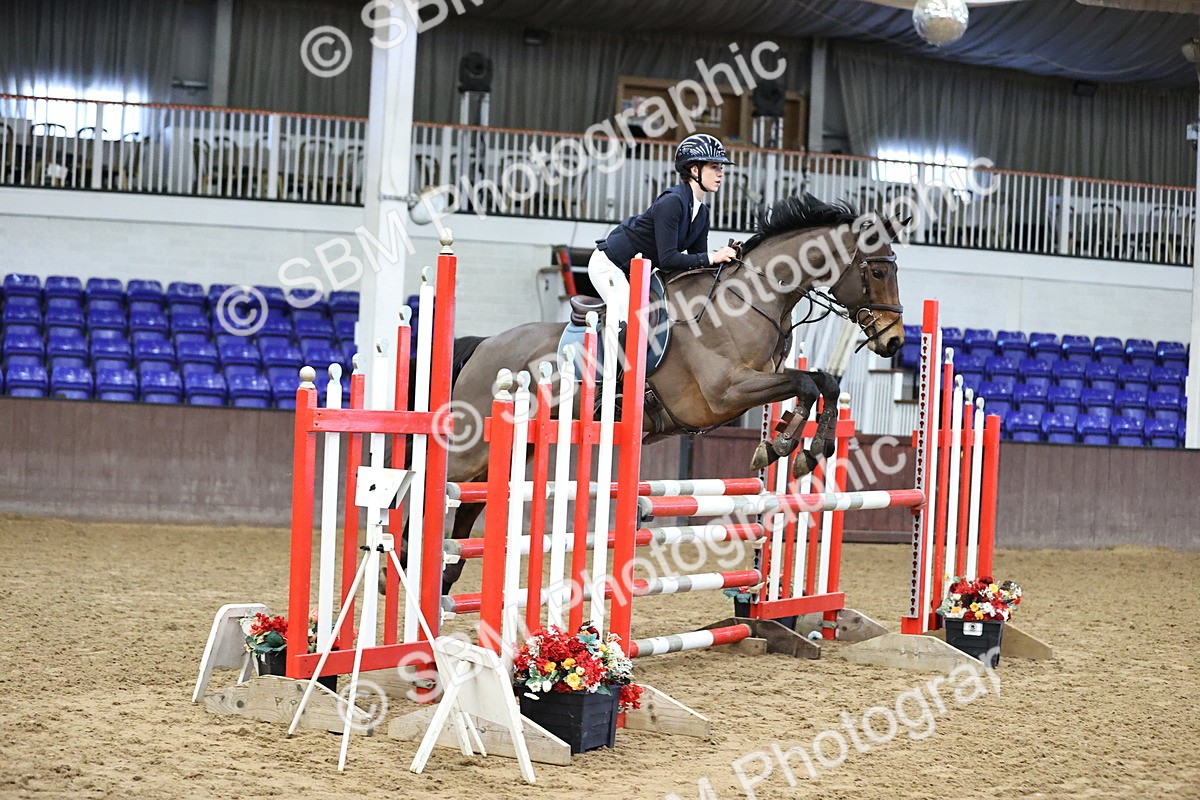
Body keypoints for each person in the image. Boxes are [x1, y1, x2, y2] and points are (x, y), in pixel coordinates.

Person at [588, 133, 739, 325]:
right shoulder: (672, 202)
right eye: (714, 167)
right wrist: (712, 257)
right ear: (694, 169)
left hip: (641, 271)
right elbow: (668, 259)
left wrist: (726, 261)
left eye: (721, 168)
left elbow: (697, 261)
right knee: (632, 322)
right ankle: (607, 355)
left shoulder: (703, 213)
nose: (720, 173)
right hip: (610, 265)